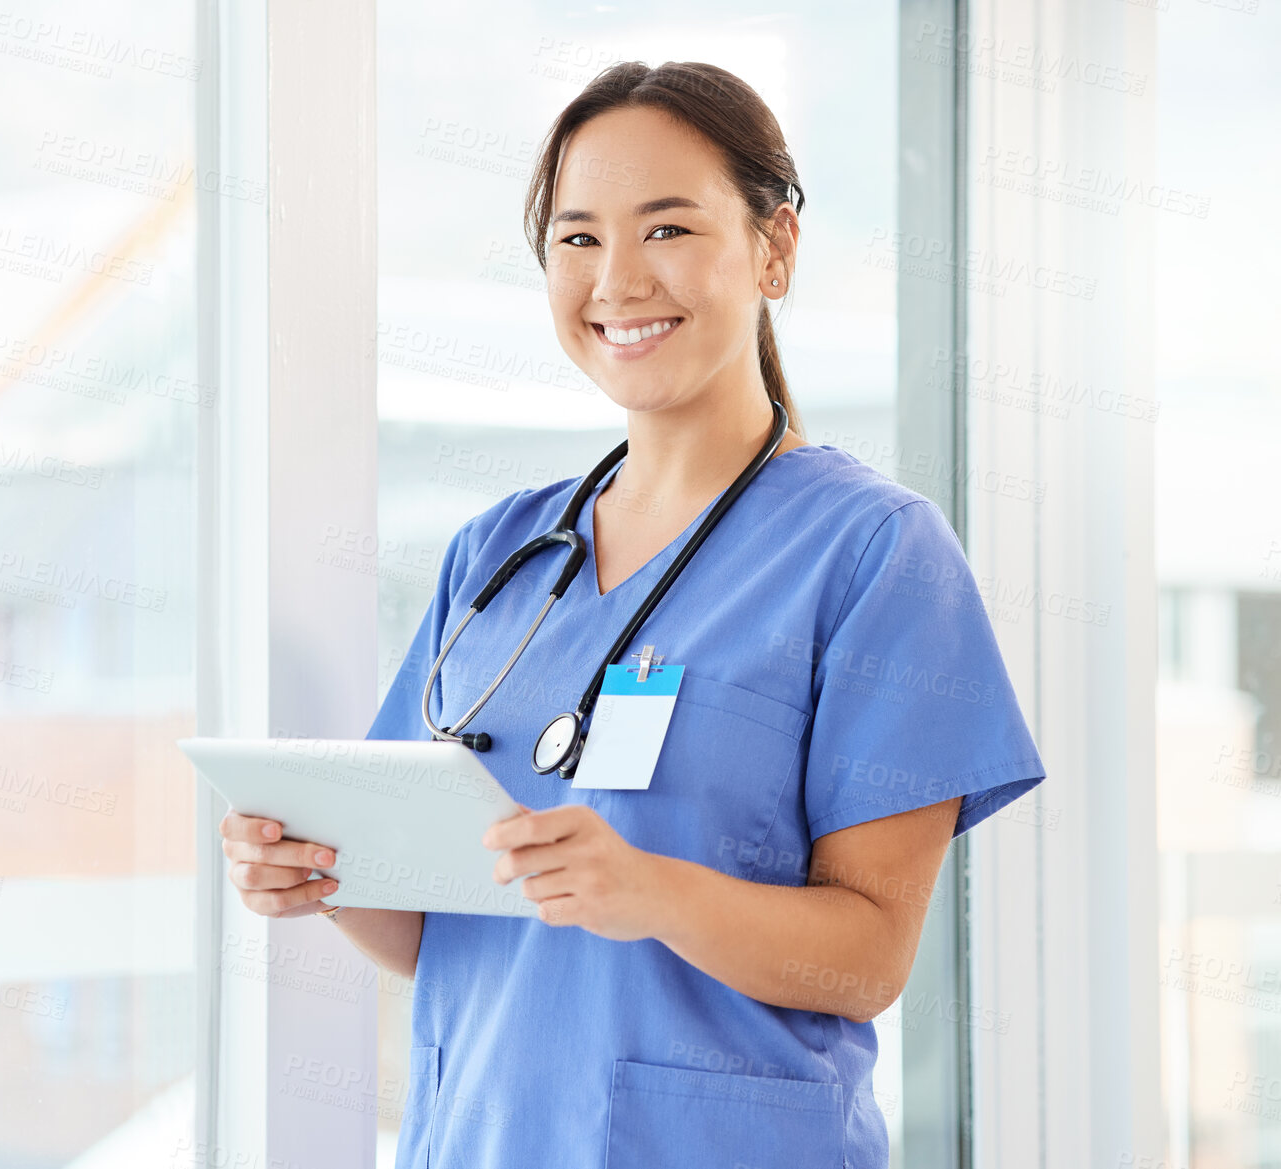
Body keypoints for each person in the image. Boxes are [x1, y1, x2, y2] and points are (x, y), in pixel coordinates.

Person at [219, 59, 1046, 1169]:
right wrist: (319, 876)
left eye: (666, 229)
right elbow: (440, 923)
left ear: (774, 247)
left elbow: (871, 954)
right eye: (576, 238)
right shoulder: (500, 554)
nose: (617, 279)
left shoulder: (873, 554)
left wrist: (654, 889)